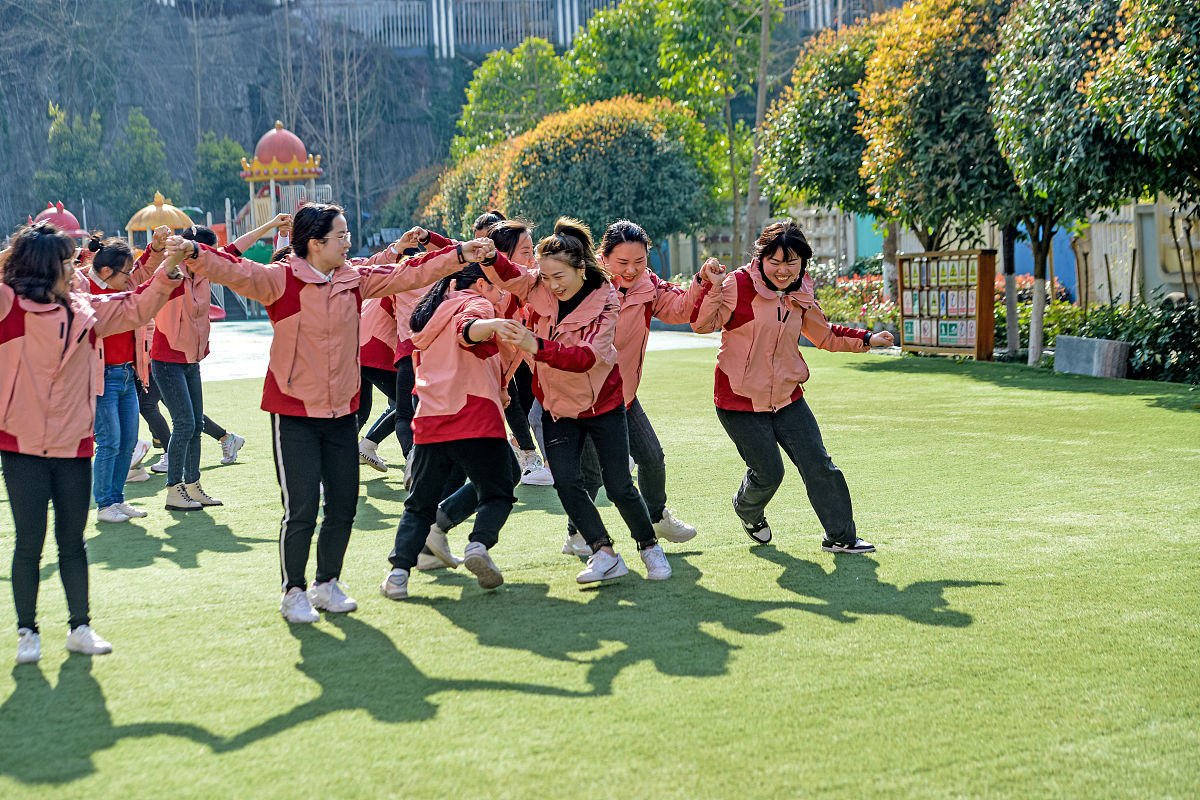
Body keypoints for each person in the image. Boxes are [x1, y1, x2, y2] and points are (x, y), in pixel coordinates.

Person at [169, 202, 493, 623]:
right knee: (301, 508)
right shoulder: (280, 280)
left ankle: (327, 583)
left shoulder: (352, 280)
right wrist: (190, 251)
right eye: (340, 236)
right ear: (315, 243)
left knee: (343, 505)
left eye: (347, 236)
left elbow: (408, 273)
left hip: (343, 411)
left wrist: (460, 253)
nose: (348, 243)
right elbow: (233, 269)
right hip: (294, 413)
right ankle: (294, 591)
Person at [0, 221, 183, 663]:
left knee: (72, 541)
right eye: (66, 262)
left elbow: (138, 305)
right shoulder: (7, 305)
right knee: (29, 542)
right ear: (44, 268)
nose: (76, 268)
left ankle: (79, 627)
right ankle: (28, 633)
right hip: (20, 446)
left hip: (74, 446)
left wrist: (172, 265)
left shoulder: (85, 309)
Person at [485, 218, 672, 584]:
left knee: (618, 485)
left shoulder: (606, 300)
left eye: (560, 277)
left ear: (580, 268)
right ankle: (603, 552)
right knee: (568, 483)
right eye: (545, 276)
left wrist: (533, 345)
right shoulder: (538, 286)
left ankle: (650, 546)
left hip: (602, 404)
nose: (552, 285)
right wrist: (486, 254)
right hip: (557, 407)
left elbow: (586, 358)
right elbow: (507, 273)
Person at [690, 221, 892, 553]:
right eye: (776, 261)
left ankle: (840, 537)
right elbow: (702, 324)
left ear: (802, 263)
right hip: (739, 400)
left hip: (787, 396)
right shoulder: (737, 285)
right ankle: (747, 509)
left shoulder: (800, 292)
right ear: (761, 258)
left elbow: (823, 334)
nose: (784, 270)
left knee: (819, 463)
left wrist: (867, 338)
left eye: (792, 262)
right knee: (769, 472)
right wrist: (709, 286)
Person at [380, 258, 520, 599]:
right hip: (473, 415)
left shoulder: (430, 314)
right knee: (500, 489)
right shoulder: (478, 302)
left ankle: (398, 576)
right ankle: (479, 545)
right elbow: (468, 330)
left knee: (418, 505)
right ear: (482, 284)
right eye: (496, 284)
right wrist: (495, 323)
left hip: (430, 419)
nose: (502, 291)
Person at [562, 220, 703, 554]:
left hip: (623, 395)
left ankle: (656, 518)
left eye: (639, 262)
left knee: (652, 457)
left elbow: (681, 308)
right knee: (593, 474)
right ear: (603, 256)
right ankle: (576, 535)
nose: (631, 270)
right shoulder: (584, 286)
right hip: (588, 398)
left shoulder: (648, 286)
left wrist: (702, 282)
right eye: (622, 263)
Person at [77, 236, 151, 523]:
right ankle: (105, 504)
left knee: (129, 439)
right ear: (107, 271)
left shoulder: (126, 285)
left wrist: (157, 249)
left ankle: (117, 499)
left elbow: (147, 272)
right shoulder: (82, 287)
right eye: (125, 272)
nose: (130, 278)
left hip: (126, 373)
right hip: (101, 376)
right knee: (109, 441)